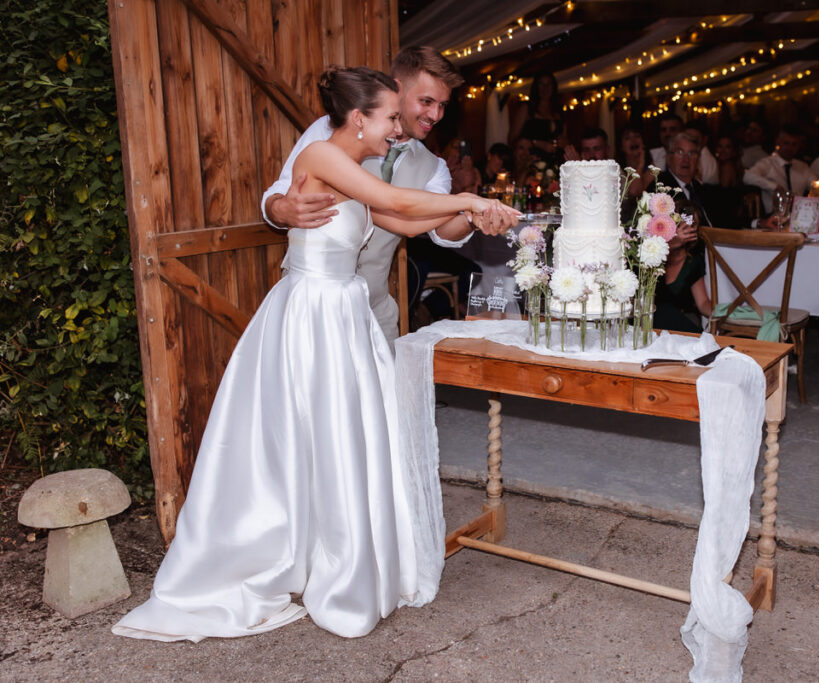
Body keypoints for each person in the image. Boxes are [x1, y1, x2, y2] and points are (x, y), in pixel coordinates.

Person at [112, 67, 518, 642]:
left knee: (339, 439)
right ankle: (289, 556)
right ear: (360, 118)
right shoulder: (326, 156)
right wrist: (471, 195)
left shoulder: (353, 170)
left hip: (344, 311)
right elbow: (390, 196)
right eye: (391, 117)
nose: (397, 129)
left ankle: (328, 550)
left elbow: (400, 215)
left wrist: (472, 213)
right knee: (308, 434)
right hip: (311, 312)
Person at [261, 46, 513, 347]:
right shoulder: (328, 135)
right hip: (314, 306)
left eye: (443, 105)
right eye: (426, 101)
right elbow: (394, 200)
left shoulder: (435, 168)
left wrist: (473, 218)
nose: (435, 115)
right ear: (397, 89)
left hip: (371, 306)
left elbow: (414, 224)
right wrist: (280, 209)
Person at [648, 132, 713, 333]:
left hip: (703, 257)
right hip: (650, 318)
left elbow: (704, 304)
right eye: (680, 152)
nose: (686, 159)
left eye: (692, 153)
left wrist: (732, 314)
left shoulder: (700, 188)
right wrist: (674, 242)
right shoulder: (659, 191)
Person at [744, 125, 812, 214]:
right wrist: (774, 187)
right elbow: (748, 176)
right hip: (773, 217)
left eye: (794, 144)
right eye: (786, 143)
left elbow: (817, 184)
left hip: (798, 216)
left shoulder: (802, 167)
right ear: (778, 142)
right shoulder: (768, 163)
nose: (790, 148)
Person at [509, 72, 566, 164]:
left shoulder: (558, 111)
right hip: (532, 162)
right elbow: (512, 140)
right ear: (536, 87)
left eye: (549, 84)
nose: (545, 88)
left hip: (555, 162)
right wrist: (537, 143)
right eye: (541, 84)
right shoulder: (526, 108)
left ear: (553, 87)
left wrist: (563, 143)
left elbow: (565, 139)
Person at [683, 120, 719, 185]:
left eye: (694, 139)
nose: (689, 142)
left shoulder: (706, 159)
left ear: (704, 140)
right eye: (686, 138)